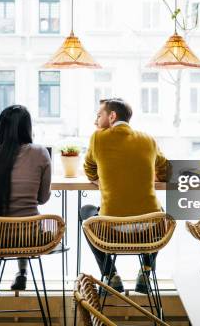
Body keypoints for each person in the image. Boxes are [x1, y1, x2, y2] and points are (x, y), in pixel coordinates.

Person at [81, 98, 168, 293]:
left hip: (112, 231)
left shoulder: (98, 138)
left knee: (86, 212)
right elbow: (165, 172)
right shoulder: (148, 139)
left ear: (112, 116)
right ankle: (146, 271)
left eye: (99, 115)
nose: (96, 121)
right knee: (161, 213)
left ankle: (111, 275)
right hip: (149, 231)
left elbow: (89, 170)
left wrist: (102, 179)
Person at [0, 105, 52, 290]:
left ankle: (21, 273)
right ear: (28, 128)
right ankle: (23, 272)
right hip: (31, 238)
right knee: (25, 224)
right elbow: (42, 199)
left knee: (14, 223)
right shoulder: (41, 153)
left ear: (1, 128)